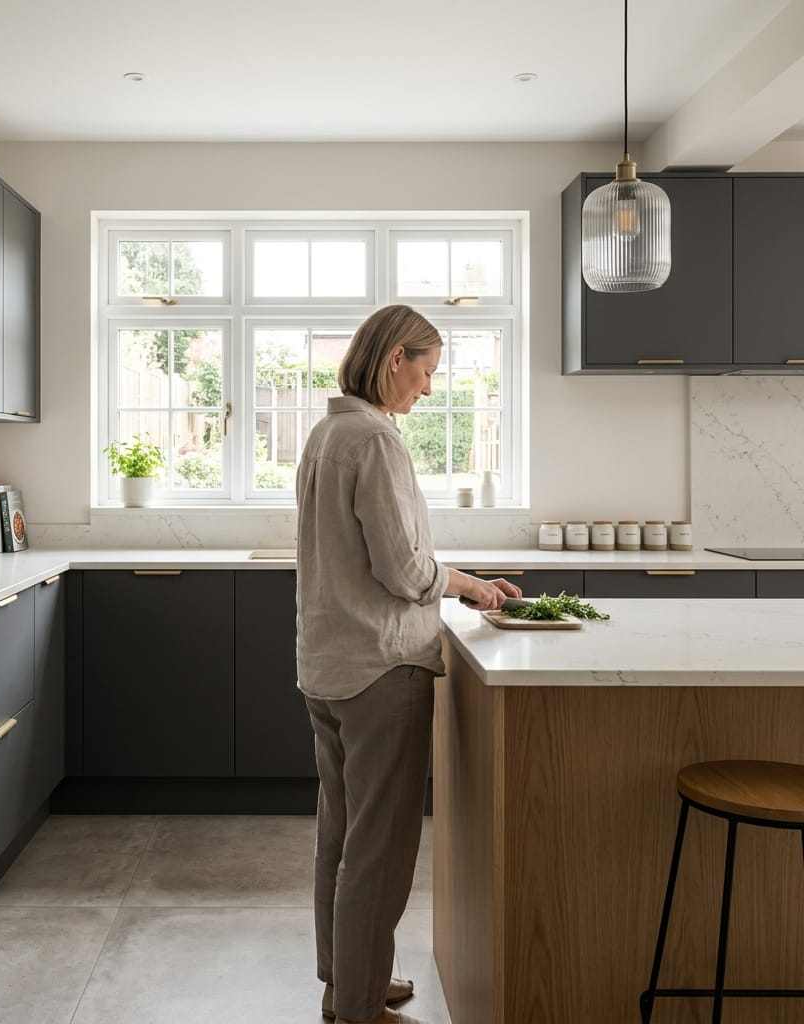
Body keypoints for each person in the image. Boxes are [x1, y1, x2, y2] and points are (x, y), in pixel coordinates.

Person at [296, 304, 521, 1024]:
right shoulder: (375, 441)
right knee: (381, 848)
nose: (428, 388)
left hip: (328, 666)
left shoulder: (326, 432)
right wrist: (472, 585)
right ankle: (359, 1007)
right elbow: (405, 569)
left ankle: (348, 980)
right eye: (426, 371)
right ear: (396, 358)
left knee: (342, 833)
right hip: (380, 668)